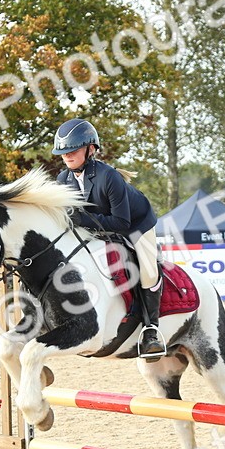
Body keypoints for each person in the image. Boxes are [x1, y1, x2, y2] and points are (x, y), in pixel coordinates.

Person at [53, 118, 164, 359]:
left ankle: (151, 330)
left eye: (73, 150)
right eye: (63, 152)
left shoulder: (109, 176)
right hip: (99, 226)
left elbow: (121, 224)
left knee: (147, 269)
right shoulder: (63, 180)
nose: (67, 156)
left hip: (136, 224)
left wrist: (81, 219)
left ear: (90, 149)